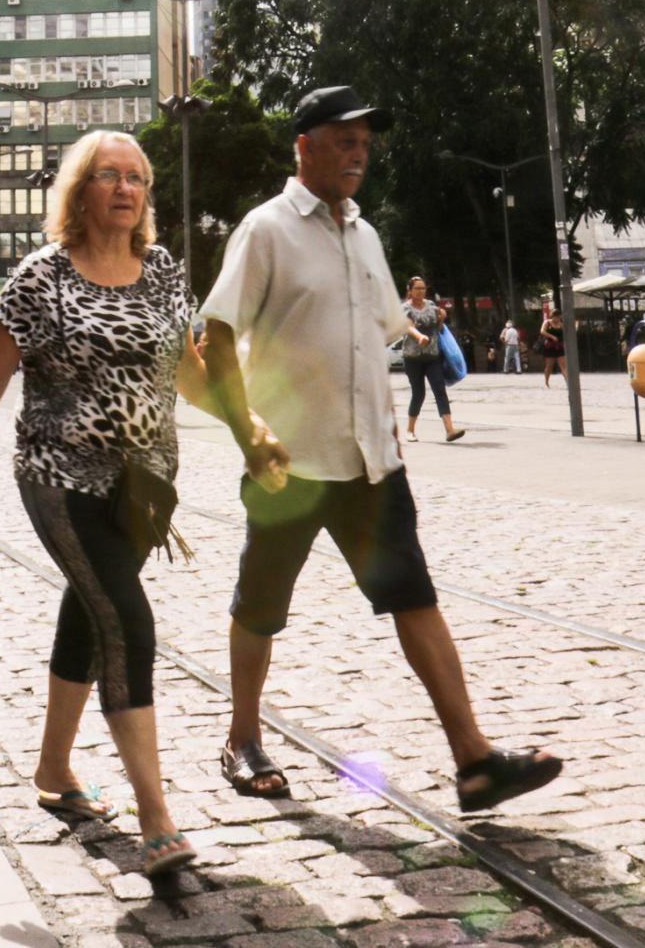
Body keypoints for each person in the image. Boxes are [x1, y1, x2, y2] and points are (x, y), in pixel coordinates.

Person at [0, 131, 289, 882]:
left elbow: (189, 374)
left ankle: (55, 769)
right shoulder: (39, 277)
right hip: (58, 475)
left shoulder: (161, 271)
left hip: (143, 486)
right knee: (127, 620)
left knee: (90, 613)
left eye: (137, 178)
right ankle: (158, 818)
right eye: (108, 176)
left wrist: (248, 428)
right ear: (79, 191)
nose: (126, 188)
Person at [201, 85, 562, 815]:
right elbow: (215, 337)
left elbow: (381, 330)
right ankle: (242, 737)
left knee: (415, 599)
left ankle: (474, 760)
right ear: (303, 143)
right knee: (261, 605)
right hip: (290, 466)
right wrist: (250, 433)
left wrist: (388, 414)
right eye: (344, 138)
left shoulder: (364, 234)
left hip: (373, 462)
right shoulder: (265, 228)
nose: (359, 151)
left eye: (365, 140)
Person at [400, 276, 466, 445]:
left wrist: (442, 318)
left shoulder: (430, 306)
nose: (421, 291)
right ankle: (410, 430)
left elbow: (438, 327)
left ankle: (450, 430)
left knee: (439, 390)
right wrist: (419, 336)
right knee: (419, 393)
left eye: (423, 288)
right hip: (413, 358)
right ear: (410, 290)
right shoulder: (405, 308)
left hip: (432, 356)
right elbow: (408, 327)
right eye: (417, 288)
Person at [539, 305, 565, 387]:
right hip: (550, 346)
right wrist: (552, 336)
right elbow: (542, 331)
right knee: (549, 366)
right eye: (555, 317)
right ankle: (546, 381)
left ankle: (568, 383)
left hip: (559, 346)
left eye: (558, 317)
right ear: (552, 316)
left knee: (563, 365)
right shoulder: (547, 322)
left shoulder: (561, 324)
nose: (556, 319)